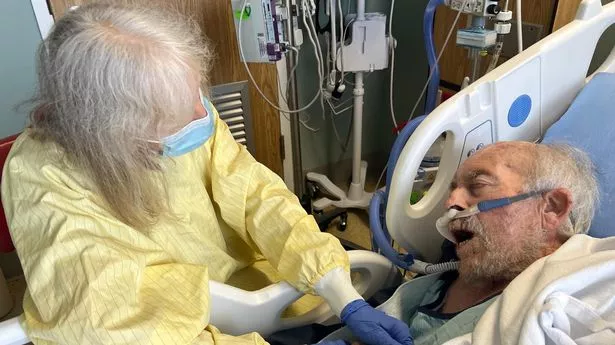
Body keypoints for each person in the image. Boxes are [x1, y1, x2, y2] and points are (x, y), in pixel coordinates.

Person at [0, 3, 411, 345]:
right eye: (175, 116)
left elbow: (256, 195)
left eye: (195, 95)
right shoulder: (42, 178)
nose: (203, 114)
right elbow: (108, 316)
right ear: (113, 133)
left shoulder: (182, 109)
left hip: (257, 291)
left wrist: (334, 284)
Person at [356, 141, 598, 345]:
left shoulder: (561, 309)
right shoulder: (460, 266)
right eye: (453, 189)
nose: (451, 202)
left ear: (551, 207)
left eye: (478, 185)